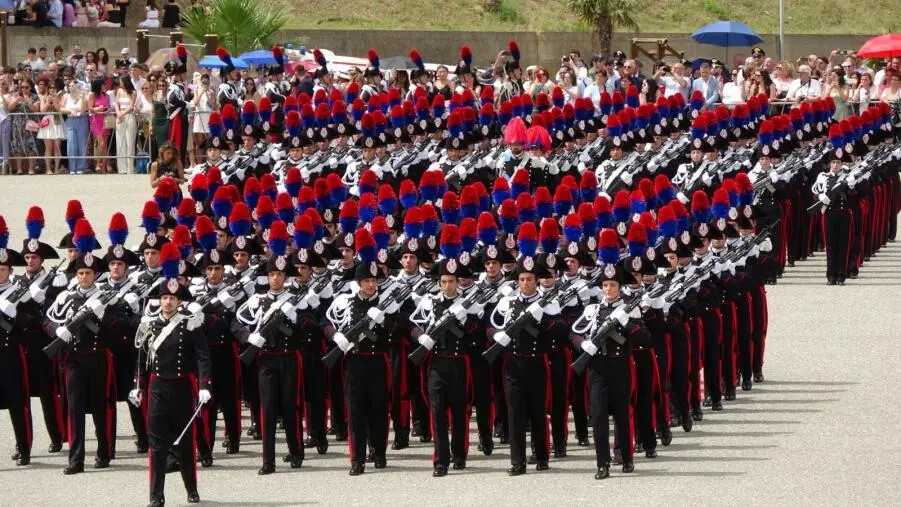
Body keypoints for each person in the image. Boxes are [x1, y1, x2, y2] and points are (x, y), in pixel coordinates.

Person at [131, 244, 210, 506]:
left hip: (182, 388)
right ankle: (156, 495)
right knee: (157, 445)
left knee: (186, 443)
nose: (168, 302)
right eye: (165, 298)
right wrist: (138, 386)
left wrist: (204, 385)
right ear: (160, 299)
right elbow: (142, 358)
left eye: (173, 299)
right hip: (157, 387)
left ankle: (191, 488)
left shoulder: (190, 322)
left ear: (179, 301)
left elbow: (202, 355)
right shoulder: (150, 323)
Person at [44, 220, 116, 475]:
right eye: (80, 273)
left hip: (98, 358)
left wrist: (100, 316)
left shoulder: (105, 296)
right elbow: (49, 319)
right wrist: (57, 331)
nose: (84, 277)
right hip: (73, 359)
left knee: (101, 406)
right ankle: (76, 460)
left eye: (88, 273)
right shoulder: (66, 295)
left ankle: (105, 452)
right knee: (74, 409)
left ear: (95, 274)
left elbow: (116, 327)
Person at [410, 254, 482, 476]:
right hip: (437, 363)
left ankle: (459, 454)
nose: (448, 285)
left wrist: (464, 320)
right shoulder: (430, 302)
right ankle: (440, 460)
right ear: (439, 282)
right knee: (437, 413)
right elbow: (413, 324)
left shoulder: (469, 303)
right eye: (444, 282)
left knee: (460, 412)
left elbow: (477, 335)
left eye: (452, 281)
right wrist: (420, 337)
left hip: (460, 364)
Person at [6, 77, 39, 175]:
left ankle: (31, 169)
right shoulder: (15, 95)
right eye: (22, 87)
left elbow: (36, 109)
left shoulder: (34, 97)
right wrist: (16, 100)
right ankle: (19, 168)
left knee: (31, 145)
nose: (24, 89)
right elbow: (9, 108)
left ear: (30, 87)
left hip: (30, 124)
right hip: (17, 124)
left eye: (26, 87)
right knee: (18, 146)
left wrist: (27, 101)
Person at [59, 77, 90, 174]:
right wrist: (69, 110)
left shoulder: (83, 96)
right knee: (71, 145)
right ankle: (72, 167)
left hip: (81, 120)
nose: (71, 87)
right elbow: (61, 109)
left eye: (73, 85)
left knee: (81, 144)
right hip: (70, 120)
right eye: (69, 86)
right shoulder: (65, 96)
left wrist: (81, 97)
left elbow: (84, 109)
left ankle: (81, 167)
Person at [36, 77, 64, 175]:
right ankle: (48, 169)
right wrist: (48, 102)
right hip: (47, 121)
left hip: (57, 121)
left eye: (54, 87)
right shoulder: (44, 98)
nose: (52, 89)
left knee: (57, 147)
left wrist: (55, 100)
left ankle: (56, 169)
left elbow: (59, 110)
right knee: (48, 147)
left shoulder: (60, 98)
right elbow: (42, 110)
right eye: (50, 88)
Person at [115, 75, 138, 174]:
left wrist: (122, 114)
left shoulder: (133, 92)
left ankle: (130, 168)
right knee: (120, 142)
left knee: (130, 142)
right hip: (120, 116)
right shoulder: (119, 91)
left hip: (129, 116)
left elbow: (131, 106)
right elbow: (116, 103)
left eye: (121, 81)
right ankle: (122, 168)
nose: (120, 83)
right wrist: (118, 114)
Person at [89, 77, 112, 173]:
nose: (105, 86)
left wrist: (107, 109)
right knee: (101, 143)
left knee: (105, 144)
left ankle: (103, 167)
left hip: (105, 120)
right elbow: (90, 107)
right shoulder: (92, 94)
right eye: (103, 84)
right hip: (96, 120)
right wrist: (97, 109)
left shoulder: (107, 96)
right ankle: (98, 163)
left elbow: (109, 107)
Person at [191, 73, 215, 164]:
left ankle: (208, 162)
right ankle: (199, 163)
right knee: (199, 143)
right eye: (204, 82)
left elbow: (213, 105)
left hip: (208, 117)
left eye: (207, 82)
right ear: (201, 82)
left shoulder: (212, 90)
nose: (205, 84)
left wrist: (210, 95)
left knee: (208, 142)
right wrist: (202, 92)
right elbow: (196, 103)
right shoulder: (196, 89)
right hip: (200, 117)